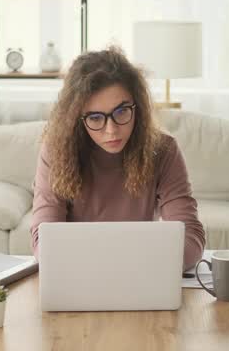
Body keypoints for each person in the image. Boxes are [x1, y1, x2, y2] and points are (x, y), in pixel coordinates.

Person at [30, 46, 205, 271]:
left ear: (138, 108)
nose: (111, 130)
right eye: (95, 117)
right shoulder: (56, 151)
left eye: (122, 112)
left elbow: (191, 238)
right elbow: (44, 243)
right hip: (79, 279)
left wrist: (124, 264)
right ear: (76, 118)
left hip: (139, 277)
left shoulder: (163, 150)